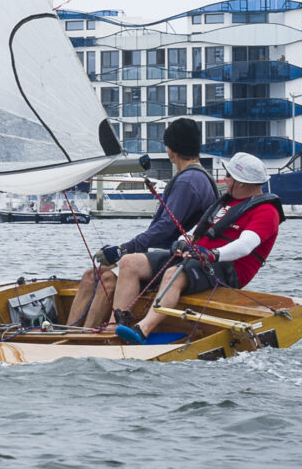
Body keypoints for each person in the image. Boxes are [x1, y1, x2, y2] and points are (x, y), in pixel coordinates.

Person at [68, 118, 218, 330]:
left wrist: (123, 249)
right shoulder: (199, 177)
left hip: (172, 259)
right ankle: (71, 331)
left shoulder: (187, 181)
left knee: (105, 279)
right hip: (166, 256)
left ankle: (84, 337)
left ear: (170, 150)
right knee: (91, 274)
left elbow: (165, 227)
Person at [120, 151, 281, 343]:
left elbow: (245, 245)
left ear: (241, 183)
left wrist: (212, 254)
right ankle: (117, 326)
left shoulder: (267, 211)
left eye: (228, 176)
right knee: (130, 262)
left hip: (229, 269)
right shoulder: (226, 203)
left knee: (174, 274)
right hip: (199, 258)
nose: (225, 179)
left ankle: (142, 330)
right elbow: (195, 231)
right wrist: (182, 241)